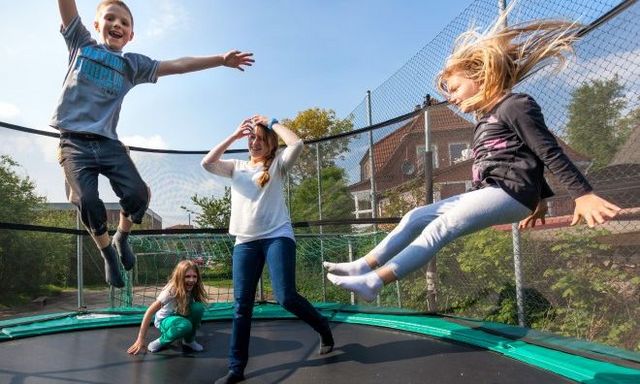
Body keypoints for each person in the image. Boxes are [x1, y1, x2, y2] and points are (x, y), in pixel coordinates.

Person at [323, 17, 622, 302]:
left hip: (508, 193)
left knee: (442, 226)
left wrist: (582, 194)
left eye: (455, 89)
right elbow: (527, 158)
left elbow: (546, 150)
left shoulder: (516, 105)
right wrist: (542, 199)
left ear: (482, 76)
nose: (451, 98)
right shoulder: (485, 120)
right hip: (497, 193)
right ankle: (363, 265)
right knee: (415, 217)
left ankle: (374, 282)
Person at [52, 0, 254, 288]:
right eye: (110, 18)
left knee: (138, 195)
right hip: (73, 142)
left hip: (108, 142)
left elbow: (179, 65)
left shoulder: (132, 64)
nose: (117, 25)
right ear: (97, 25)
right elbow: (66, 7)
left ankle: (122, 236)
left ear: (131, 34)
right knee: (87, 200)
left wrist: (220, 59)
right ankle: (107, 251)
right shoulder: (81, 44)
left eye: (124, 22)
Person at [202, 115, 334, 384]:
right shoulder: (236, 166)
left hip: (277, 236)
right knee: (241, 307)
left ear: (271, 143)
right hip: (245, 242)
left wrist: (272, 122)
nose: (255, 143)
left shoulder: (278, 165)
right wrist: (235, 135)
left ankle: (322, 326)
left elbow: (296, 143)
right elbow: (207, 162)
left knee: (285, 296)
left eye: (261, 139)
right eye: (252, 138)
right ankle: (236, 369)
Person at [127, 259, 208, 354]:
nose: (191, 280)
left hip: (181, 314)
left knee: (198, 308)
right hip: (165, 320)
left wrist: (196, 321)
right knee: (185, 325)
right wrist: (140, 339)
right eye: (187, 276)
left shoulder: (194, 287)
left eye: (194, 276)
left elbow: (195, 310)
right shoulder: (171, 291)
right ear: (180, 277)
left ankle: (189, 341)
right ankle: (161, 341)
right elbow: (149, 312)